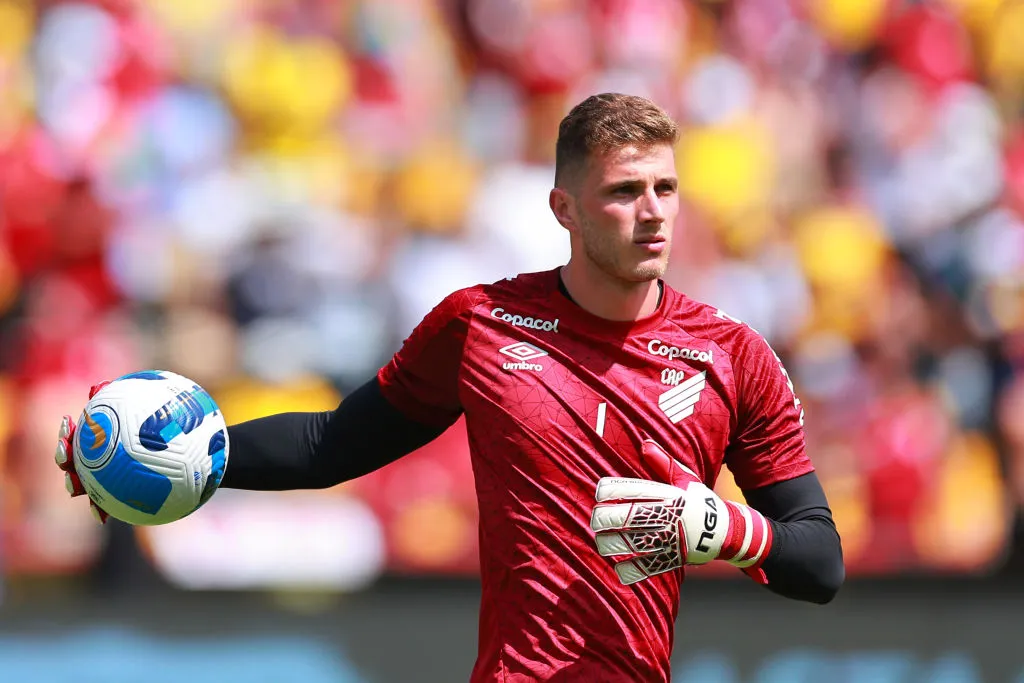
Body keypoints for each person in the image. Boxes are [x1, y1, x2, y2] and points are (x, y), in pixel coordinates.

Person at [54, 93, 844, 683]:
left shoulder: (731, 355)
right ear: (563, 208)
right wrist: (165, 453)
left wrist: (730, 530)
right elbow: (334, 445)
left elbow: (819, 561)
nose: (652, 214)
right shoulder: (483, 325)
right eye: (623, 192)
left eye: (665, 190)